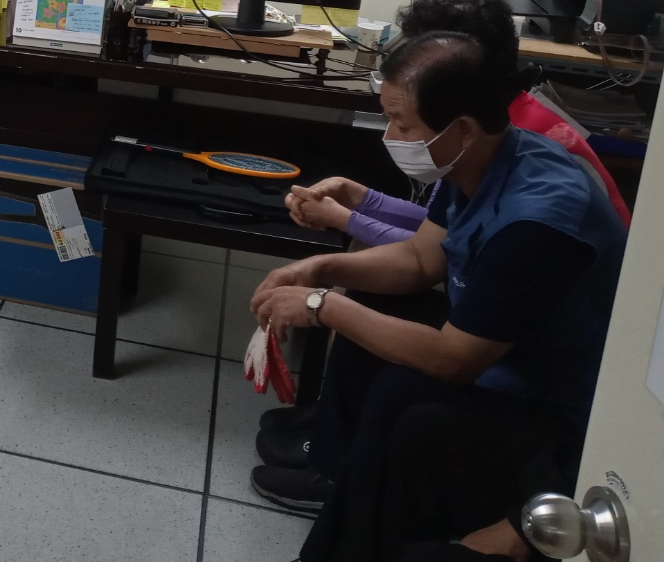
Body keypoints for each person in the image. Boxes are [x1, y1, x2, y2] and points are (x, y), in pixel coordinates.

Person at [249, 30, 626, 562]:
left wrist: (321, 305)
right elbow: (420, 259)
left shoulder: (538, 221)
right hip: (508, 357)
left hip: (558, 413)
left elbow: (455, 360)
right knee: (375, 309)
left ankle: (351, 530)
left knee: (404, 397)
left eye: (402, 123)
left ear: (463, 128)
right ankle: (343, 488)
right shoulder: (479, 159)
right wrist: (319, 268)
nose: (391, 135)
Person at [284, 0, 631, 246]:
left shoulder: (510, 141)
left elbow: (437, 253)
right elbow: (445, 227)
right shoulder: (488, 122)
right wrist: (362, 200)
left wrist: (345, 219)